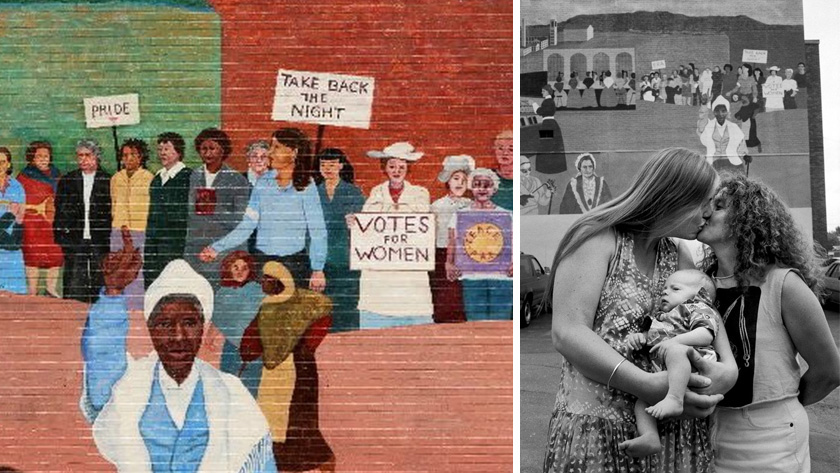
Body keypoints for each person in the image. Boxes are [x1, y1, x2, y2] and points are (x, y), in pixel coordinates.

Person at [542, 148, 738, 473]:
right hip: (595, 428)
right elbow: (568, 332)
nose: (708, 214)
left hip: (664, 435)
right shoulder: (598, 237)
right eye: (704, 202)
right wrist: (646, 385)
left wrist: (723, 371)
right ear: (674, 197)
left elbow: (703, 321)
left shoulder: (679, 255)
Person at [79, 240, 276, 473]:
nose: (178, 336)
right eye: (165, 324)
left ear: (202, 328)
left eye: (190, 323)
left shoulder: (231, 392)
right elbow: (103, 358)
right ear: (151, 330)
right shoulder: (129, 386)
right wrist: (113, 294)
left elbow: (260, 465)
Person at [697, 174, 840, 473]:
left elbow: (830, 370)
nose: (706, 211)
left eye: (719, 206)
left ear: (748, 219)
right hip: (705, 431)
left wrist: (778, 405)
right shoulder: (699, 285)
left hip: (769, 440)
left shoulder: (783, 284)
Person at [200, 128, 327, 292]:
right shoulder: (262, 183)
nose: (270, 153)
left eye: (276, 148)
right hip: (262, 263)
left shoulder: (307, 186)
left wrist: (317, 269)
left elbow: (318, 230)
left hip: (295, 265)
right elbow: (247, 225)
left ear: (294, 152)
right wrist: (216, 248)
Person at [240, 261, 334, 472]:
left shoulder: (302, 300)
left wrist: (307, 345)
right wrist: (248, 351)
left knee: (298, 420)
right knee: (274, 421)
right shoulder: (267, 306)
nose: (262, 282)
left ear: (279, 282)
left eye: (267, 279)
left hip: (300, 370)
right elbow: (251, 341)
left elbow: (325, 312)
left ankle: (322, 461)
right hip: (274, 371)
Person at [621, 269, 721, 457]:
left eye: (675, 288)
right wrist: (640, 337)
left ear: (700, 294)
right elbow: (653, 337)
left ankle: (675, 399)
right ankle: (650, 436)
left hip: (694, 366)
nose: (665, 292)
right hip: (669, 373)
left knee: (676, 352)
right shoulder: (661, 317)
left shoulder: (696, 308)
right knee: (642, 401)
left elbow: (705, 334)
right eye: (664, 289)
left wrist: (675, 342)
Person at [357, 142, 434, 328]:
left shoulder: (420, 193)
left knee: (411, 309)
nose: (397, 171)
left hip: (409, 267)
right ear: (385, 168)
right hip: (382, 269)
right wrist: (356, 222)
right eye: (392, 166)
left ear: (408, 169)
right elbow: (367, 226)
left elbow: (422, 224)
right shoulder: (376, 193)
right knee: (379, 310)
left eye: (401, 167)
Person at [184, 128, 250, 289]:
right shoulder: (194, 176)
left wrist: (213, 208)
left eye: (212, 148)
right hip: (195, 248)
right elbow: (189, 213)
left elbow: (241, 220)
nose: (207, 153)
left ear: (223, 150)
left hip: (223, 249)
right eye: (203, 149)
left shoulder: (237, 179)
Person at [445, 168, 513, 321]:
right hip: (471, 277)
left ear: (494, 189)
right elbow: (452, 241)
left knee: (501, 324)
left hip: (503, 278)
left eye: (487, 185)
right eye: (477, 185)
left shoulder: (508, 215)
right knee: (476, 324)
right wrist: (449, 263)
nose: (482, 189)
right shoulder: (459, 215)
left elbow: (514, 241)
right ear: (471, 187)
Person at [54, 139, 112, 304]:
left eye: (87, 155)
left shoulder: (108, 180)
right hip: (75, 240)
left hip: (100, 240)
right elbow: (59, 211)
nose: (83, 160)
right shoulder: (68, 180)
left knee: (100, 280)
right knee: (73, 283)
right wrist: (62, 238)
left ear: (96, 156)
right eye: (80, 156)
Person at [315, 148, 366, 331]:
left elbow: (367, 229)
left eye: (332, 164)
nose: (327, 168)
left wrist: (357, 222)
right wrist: (315, 267)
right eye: (323, 165)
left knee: (347, 311)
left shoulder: (353, 191)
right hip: (321, 263)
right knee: (321, 312)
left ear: (341, 166)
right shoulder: (312, 193)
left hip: (347, 262)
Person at [211, 250, 264, 398]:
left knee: (250, 388)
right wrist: (211, 337)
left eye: (244, 268)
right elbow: (218, 317)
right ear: (228, 268)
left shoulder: (257, 290)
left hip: (253, 347)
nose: (240, 272)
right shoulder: (223, 292)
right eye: (235, 267)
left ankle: (247, 418)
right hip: (231, 346)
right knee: (226, 385)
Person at [144, 132, 193, 289]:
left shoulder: (188, 177)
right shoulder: (157, 178)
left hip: (175, 242)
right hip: (154, 241)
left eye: (167, 148)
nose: (162, 153)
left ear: (178, 152)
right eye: (160, 149)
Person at [110, 138, 154, 310]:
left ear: (141, 157)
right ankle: (117, 306)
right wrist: (119, 225)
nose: (128, 159)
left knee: (136, 271)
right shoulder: (116, 178)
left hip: (139, 231)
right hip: (118, 231)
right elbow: (114, 204)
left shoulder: (149, 178)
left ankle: (136, 308)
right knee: (117, 269)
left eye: (133, 155)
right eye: (125, 155)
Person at [430, 154, 473, 323]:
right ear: (448, 180)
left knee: (464, 299)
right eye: (456, 178)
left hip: (466, 256)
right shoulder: (437, 206)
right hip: (442, 256)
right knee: (445, 298)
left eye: (463, 179)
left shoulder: (471, 205)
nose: (460, 183)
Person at [17, 141, 63, 297]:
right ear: (32, 158)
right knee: (33, 256)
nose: (43, 159)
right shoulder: (24, 177)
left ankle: (50, 288)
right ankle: (32, 291)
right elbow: (19, 201)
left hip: (52, 222)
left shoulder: (57, 175)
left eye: (46, 156)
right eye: (39, 156)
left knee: (55, 254)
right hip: (32, 223)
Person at [697, 95, 747, 174]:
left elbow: (741, 143)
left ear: (727, 112)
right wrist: (704, 105)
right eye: (717, 111)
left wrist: (744, 155)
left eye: (723, 111)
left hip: (732, 162)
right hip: (714, 163)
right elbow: (702, 122)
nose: (720, 114)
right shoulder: (709, 126)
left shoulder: (733, 127)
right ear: (714, 112)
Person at [0, 147, 26, 294]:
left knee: (15, 296)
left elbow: (20, 219)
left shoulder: (17, 187)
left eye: (3, 162)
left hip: (11, 251)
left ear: (8, 164)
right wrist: (9, 215)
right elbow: (13, 216)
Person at [243, 140, 271, 253]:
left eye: (263, 156)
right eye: (254, 156)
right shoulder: (237, 180)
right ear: (248, 160)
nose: (259, 160)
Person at [491, 130, 514, 211]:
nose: (505, 153)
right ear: (495, 150)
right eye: (500, 148)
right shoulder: (487, 177)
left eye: (511, 149)